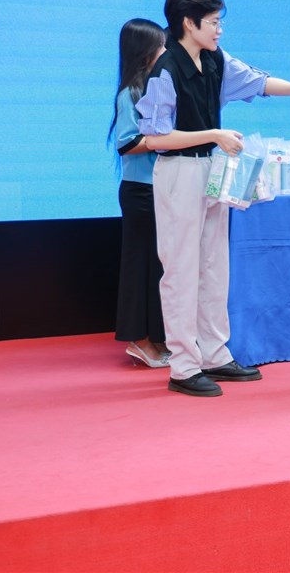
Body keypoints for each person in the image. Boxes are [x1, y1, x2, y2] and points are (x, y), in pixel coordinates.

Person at [137, 0, 290, 397]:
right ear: (189, 23)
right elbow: (155, 138)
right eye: (213, 22)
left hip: (211, 169)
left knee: (214, 265)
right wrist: (214, 134)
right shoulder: (166, 69)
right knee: (181, 269)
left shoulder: (215, 59)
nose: (219, 29)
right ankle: (184, 365)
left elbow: (257, 81)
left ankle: (214, 354)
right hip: (179, 172)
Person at [107, 18, 168, 367]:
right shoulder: (129, 94)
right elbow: (126, 143)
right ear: (144, 53)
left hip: (158, 190)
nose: (165, 52)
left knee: (158, 268)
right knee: (139, 267)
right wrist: (167, 141)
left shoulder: (153, 90)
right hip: (140, 193)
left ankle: (157, 338)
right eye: (160, 47)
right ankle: (140, 340)